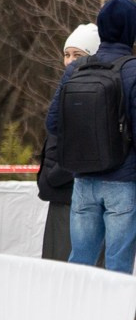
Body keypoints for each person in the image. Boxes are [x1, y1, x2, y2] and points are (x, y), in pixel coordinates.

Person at [44, 0, 136, 273]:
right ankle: (114, 318)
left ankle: (76, 316)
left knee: (79, 265)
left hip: (83, 181)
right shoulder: (132, 69)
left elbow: (53, 124)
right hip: (123, 180)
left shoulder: (75, 69)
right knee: (117, 267)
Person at [40, 23, 100, 260]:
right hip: (60, 194)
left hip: (75, 193)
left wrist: (55, 173)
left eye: (78, 55)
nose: (69, 61)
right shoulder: (66, 88)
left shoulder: (91, 93)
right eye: (67, 54)